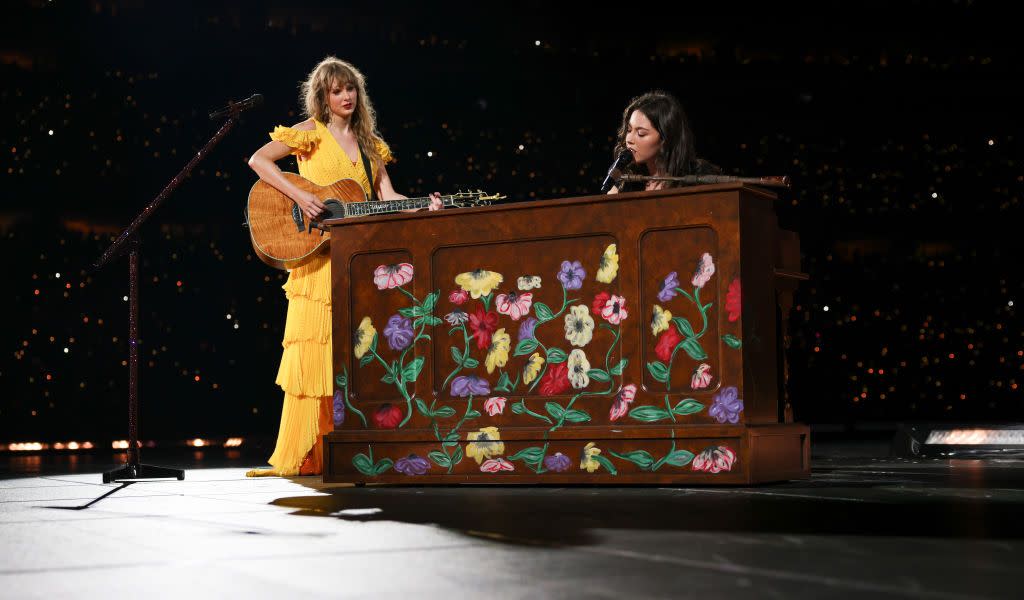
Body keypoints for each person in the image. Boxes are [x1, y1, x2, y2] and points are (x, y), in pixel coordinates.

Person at [245, 56, 440, 477]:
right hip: (316, 261)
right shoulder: (308, 135)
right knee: (314, 354)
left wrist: (425, 204)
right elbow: (259, 161)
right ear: (323, 96)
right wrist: (299, 197)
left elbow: (386, 196)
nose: (345, 95)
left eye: (350, 88)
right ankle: (306, 451)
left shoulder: (371, 144)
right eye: (336, 90)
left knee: (355, 355)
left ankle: (349, 446)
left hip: (359, 261)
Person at [607, 90, 720, 194]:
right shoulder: (627, 186)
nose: (629, 139)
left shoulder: (698, 178)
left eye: (641, 133)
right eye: (629, 130)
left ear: (666, 137)